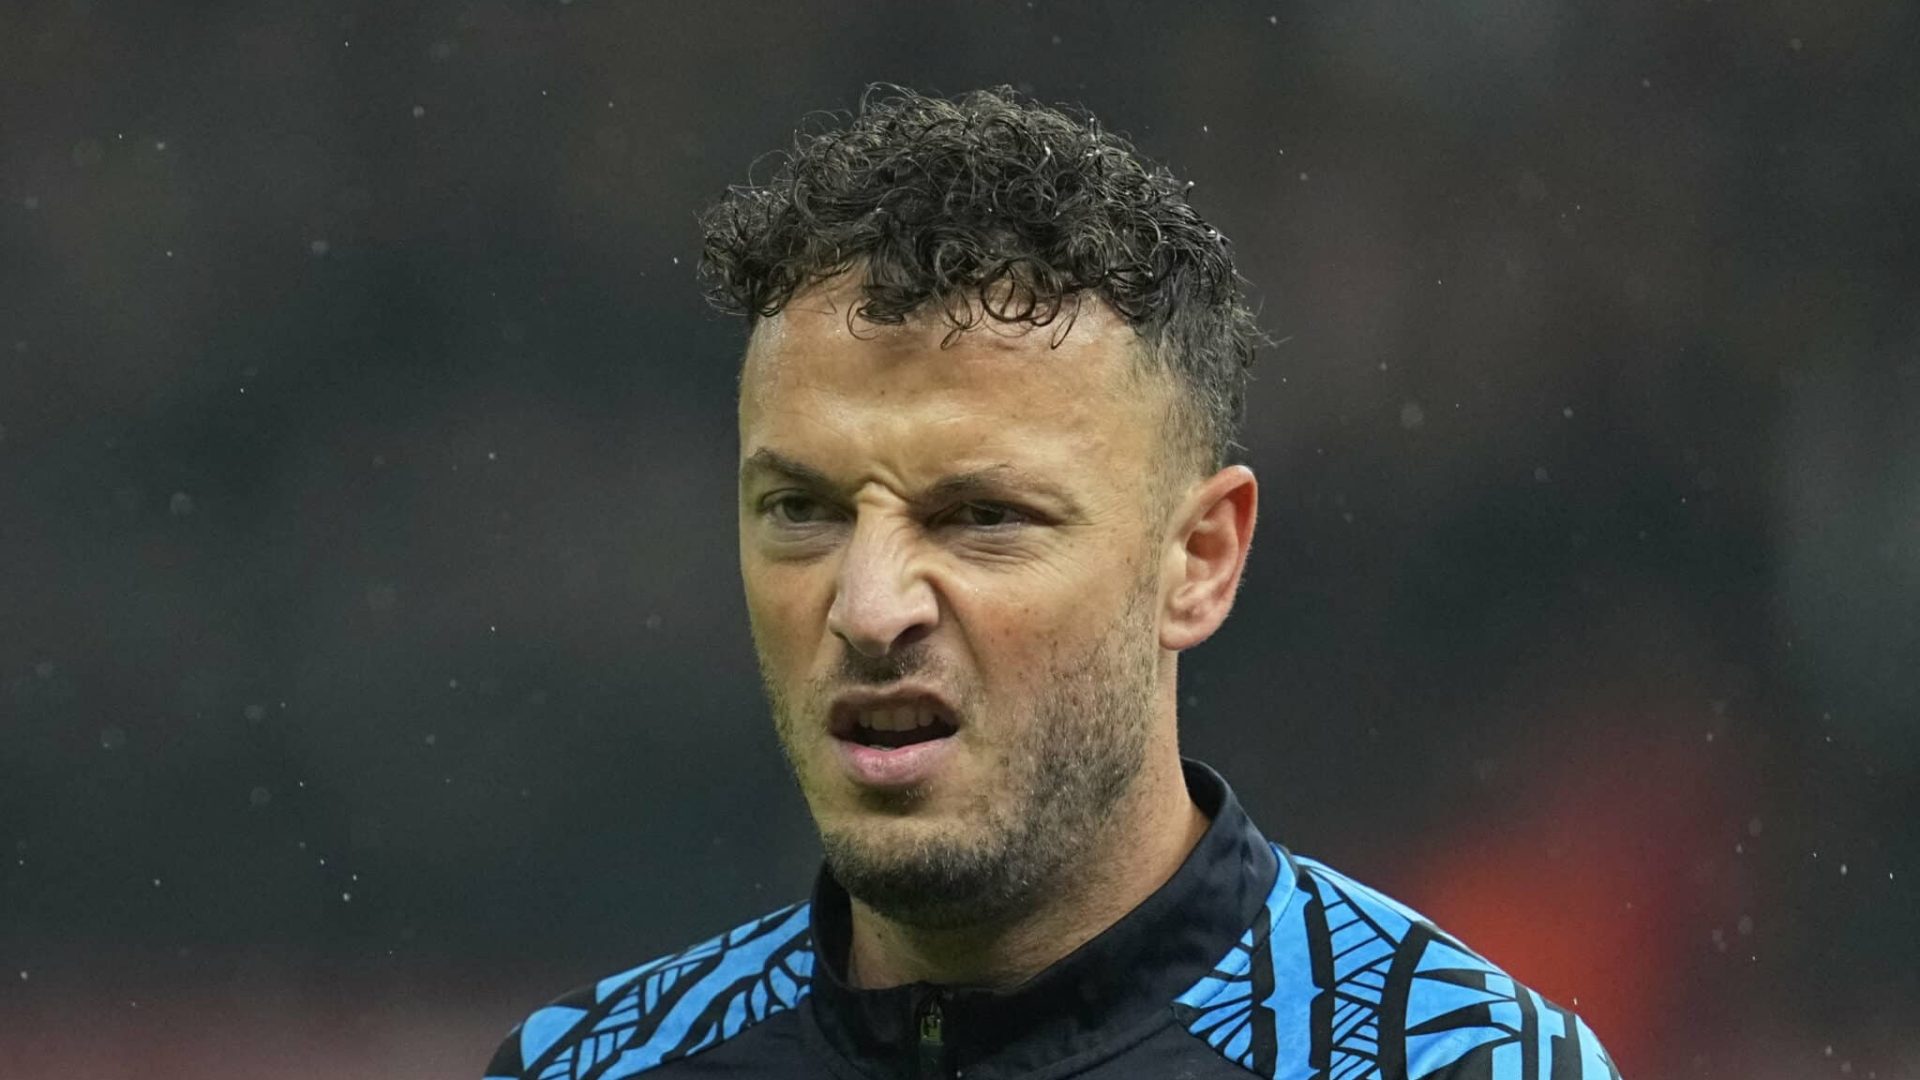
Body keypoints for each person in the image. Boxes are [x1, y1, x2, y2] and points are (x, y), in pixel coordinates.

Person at [484, 85, 1621, 1080]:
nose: (870, 607)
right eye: (804, 511)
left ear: (1200, 560)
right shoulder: (589, 1067)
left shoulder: (1459, 1066)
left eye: (981, 518)